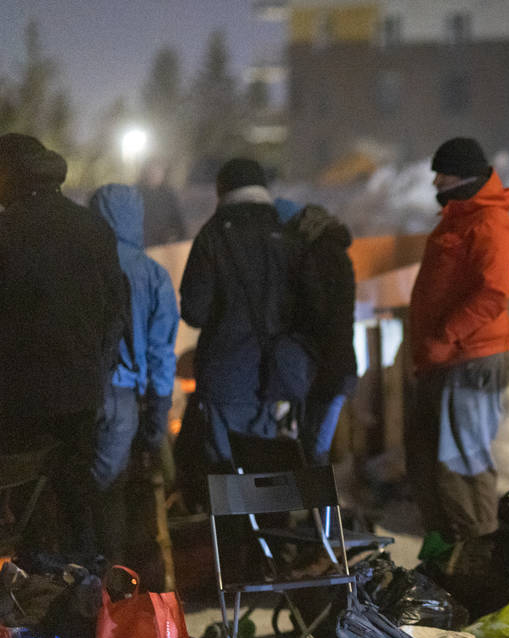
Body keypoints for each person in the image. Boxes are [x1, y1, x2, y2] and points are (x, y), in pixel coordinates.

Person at [0, 133, 130, 559]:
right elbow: (116, 309)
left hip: (19, 399)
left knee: (25, 506)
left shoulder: (7, 231)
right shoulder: (92, 228)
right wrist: (96, 369)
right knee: (76, 499)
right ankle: (85, 583)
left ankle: (33, 586)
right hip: (80, 393)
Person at [405, 137, 509, 551]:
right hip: (446, 361)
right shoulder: (459, 218)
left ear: (466, 177)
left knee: (461, 464)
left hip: (470, 359)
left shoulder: (489, 222)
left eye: (444, 174)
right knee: (429, 463)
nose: (436, 182)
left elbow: (493, 293)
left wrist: (444, 336)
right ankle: (447, 555)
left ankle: (477, 558)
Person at [179, 157, 303, 469]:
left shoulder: (212, 235)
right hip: (276, 373)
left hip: (226, 372)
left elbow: (194, 311)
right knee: (264, 467)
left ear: (222, 191)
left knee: (225, 471)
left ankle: (233, 504)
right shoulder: (286, 234)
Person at [87, 183, 180, 563]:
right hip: (125, 398)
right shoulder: (153, 274)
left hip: (82, 393)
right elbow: (161, 354)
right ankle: (115, 578)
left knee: (82, 490)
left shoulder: (83, 269)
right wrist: (157, 422)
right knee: (113, 490)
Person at [274, 197, 358, 465]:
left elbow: (316, 313)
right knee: (313, 449)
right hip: (334, 369)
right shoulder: (330, 252)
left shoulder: (316, 257)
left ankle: (320, 494)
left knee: (313, 453)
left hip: (323, 370)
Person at [137, 159, 187, 247]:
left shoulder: (169, 195)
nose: (155, 174)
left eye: (158, 171)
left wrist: (175, 237)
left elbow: (178, 223)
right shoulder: (135, 194)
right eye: (152, 171)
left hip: (163, 246)